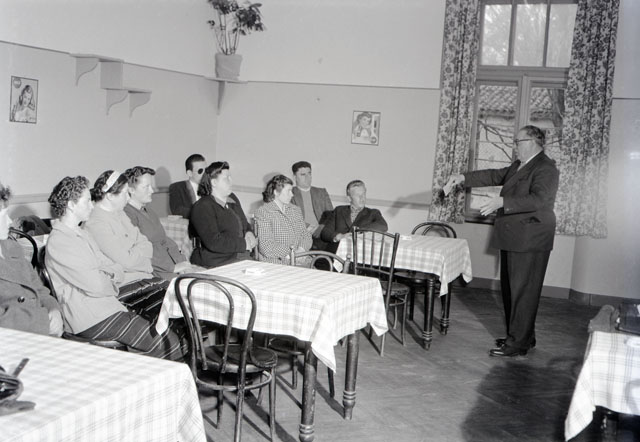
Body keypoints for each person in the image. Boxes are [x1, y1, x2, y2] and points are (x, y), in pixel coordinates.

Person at [444, 125, 559, 357]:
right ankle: (523, 337)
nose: (515, 146)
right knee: (513, 291)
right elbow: (494, 175)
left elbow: (539, 199)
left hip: (530, 238)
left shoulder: (546, 168)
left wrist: (502, 202)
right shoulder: (520, 165)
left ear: (532, 142)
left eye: (518, 142)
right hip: (515, 237)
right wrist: (462, 177)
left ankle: (517, 344)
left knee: (522, 292)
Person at [45, 176, 184, 360]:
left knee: (170, 331)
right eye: (87, 201)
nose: (92, 205)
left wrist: (108, 275)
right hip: (88, 318)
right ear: (71, 205)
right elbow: (97, 285)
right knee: (165, 340)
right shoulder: (60, 241)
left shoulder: (80, 233)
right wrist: (110, 278)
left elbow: (113, 267)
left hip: (107, 307)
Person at [0, 182, 62, 336]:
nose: (9, 221)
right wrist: (43, 321)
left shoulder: (12, 248)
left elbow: (40, 290)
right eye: (3, 215)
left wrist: (54, 310)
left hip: (37, 332)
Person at [123, 166, 199, 280]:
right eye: (146, 187)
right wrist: (172, 268)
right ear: (131, 190)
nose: (152, 191)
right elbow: (138, 253)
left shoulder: (149, 211)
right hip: (153, 272)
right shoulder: (126, 215)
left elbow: (165, 240)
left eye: (151, 186)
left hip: (169, 266)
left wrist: (182, 262)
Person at [84, 170, 154, 284]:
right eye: (125, 193)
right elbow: (127, 262)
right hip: (124, 283)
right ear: (110, 196)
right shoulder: (95, 223)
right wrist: (144, 260)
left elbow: (146, 243)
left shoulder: (119, 212)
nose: (128, 198)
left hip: (142, 276)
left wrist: (133, 254)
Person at [189, 161, 256, 268]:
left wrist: (249, 232)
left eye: (230, 177)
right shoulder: (202, 206)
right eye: (226, 178)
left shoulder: (232, 199)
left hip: (239, 256)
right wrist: (244, 244)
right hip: (215, 261)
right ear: (214, 182)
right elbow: (214, 242)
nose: (231, 181)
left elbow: (244, 224)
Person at [255, 174, 312, 265]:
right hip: (276, 263)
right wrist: (291, 253)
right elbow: (266, 246)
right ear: (276, 192)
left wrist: (301, 250)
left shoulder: (295, 210)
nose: (292, 194)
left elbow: (306, 235)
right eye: (288, 191)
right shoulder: (264, 212)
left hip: (300, 259)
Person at [321, 179, 388, 253]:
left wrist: (358, 231)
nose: (362, 198)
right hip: (336, 254)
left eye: (363, 194)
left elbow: (383, 226)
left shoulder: (373, 213)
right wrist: (339, 236)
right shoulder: (339, 210)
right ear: (349, 198)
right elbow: (325, 233)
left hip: (359, 255)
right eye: (357, 195)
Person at [290, 161, 333, 251]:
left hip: (321, 233)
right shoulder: (290, 193)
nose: (307, 177)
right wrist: (311, 229)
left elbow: (331, 215)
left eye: (309, 173)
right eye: (303, 174)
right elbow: (291, 218)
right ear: (294, 177)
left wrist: (321, 228)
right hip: (301, 234)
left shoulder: (321, 192)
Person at [169, 153, 207, 218]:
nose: (204, 174)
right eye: (200, 171)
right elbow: (177, 210)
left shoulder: (211, 187)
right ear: (190, 173)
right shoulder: (177, 187)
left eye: (206, 170)